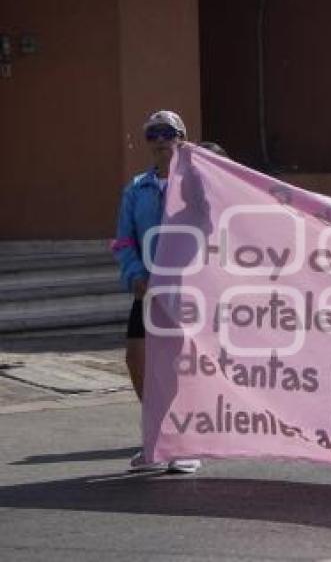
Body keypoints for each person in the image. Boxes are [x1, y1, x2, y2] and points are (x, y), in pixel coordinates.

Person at [111, 110, 201, 473]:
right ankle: (158, 435)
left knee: (178, 365)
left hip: (185, 287)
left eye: (167, 133)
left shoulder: (196, 185)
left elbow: (213, 228)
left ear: (181, 137)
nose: (160, 140)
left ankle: (183, 443)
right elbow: (123, 239)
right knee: (137, 359)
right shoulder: (136, 188)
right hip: (147, 289)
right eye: (152, 134)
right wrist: (134, 274)